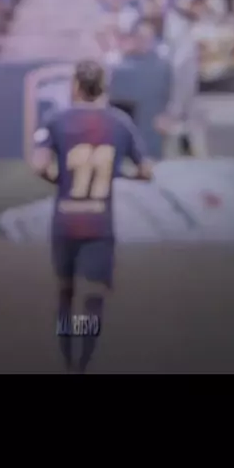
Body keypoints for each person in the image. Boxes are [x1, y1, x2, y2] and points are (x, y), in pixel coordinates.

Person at [31, 58, 153, 374]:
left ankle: (67, 358)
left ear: (75, 85)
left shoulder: (55, 119)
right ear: (104, 87)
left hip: (65, 220)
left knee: (65, 291)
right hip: (99, 224)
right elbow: (146, 170)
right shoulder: (121, 123)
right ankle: (83, 363)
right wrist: (123, 175)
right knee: (93, 297)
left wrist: (59, 180)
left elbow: (39, 165)